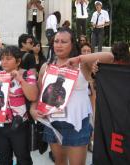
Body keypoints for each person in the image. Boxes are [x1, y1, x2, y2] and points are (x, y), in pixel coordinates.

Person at [30, 27, 113, 165]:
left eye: (64, 41)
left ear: (72, 44)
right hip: (52, 122)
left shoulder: (82, 64)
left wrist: (80, 58)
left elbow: (110, 57)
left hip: (77, 123)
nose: (59, 45)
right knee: (59, 162)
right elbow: (38, 93)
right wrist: (33, 109)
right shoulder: (46, 66)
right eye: (56, 41)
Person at [0, 45, 38, 165]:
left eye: (8, 58)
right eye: (2, 58)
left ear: (18, 61)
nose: (4, 62)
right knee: (3, 158)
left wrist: (20, 79)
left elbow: (33, 96)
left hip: (19, 124)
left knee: (23, 157)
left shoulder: (27, 75)